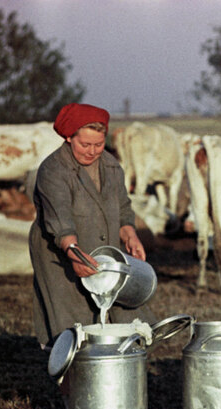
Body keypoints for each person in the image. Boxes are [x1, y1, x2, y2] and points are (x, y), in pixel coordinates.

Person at [29, 103, 157, 352]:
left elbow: (122, 208)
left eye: (98, 145)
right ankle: (72, 384)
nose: (92, 151)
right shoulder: (53, 170)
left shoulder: (110, 166)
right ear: (69, 137)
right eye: (85, 145)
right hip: (61, 254)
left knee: (126, 316)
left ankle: (118, 370)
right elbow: (60, 222)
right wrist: (74, 254)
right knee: (70, 326)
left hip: (103, 248)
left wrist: (130, 235)